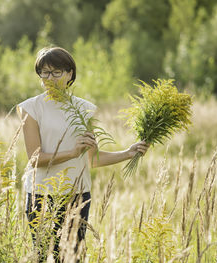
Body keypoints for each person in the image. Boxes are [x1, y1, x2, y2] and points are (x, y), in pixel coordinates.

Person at [17, 46, 149, 262]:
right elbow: (35, 159)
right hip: (42, 197)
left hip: (77, 195)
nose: (49, 78)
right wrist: (71, 152)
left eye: (56, 72)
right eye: (44, 73)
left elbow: (92, 159)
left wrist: (128, 153)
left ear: (70, 74)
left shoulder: (84, 109)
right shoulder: (31, 108)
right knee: (44, 257)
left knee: (74, 258)